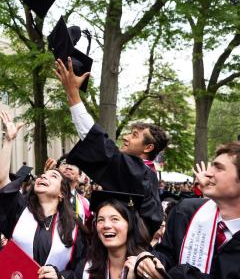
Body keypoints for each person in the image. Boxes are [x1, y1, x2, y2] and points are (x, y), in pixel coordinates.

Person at [54, 58, 168, 235]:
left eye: (134, 135)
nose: (126, 137)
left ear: (148, 148)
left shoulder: (139, 174)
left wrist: (73, 93)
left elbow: (98, 142)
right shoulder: (146, 175)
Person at [0, 110, 87, 279]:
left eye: (53, 176)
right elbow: (2, 179)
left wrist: (60, 276)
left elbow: (80, 268)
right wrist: (8, 140)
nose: (44, 176)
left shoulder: (74, 227)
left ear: (62, 193)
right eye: (43, 175)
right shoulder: (20, 211)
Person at [135, 141, 240, 279]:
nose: (207, 173)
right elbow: (167, 254)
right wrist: (149, 260)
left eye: (219, 168)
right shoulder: (186, 212)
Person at [83, 191, 151, 279]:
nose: (106, 225)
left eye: (114, 219)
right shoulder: (86, 268)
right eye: (100, 220)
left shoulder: (147, 269)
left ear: (130, 224)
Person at [45, 156, 90, 223]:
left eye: (74, 164)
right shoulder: (45, 195)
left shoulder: (85, 203)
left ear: (79, 176)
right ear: (57, 170)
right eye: (64, 163)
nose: (68, 167)